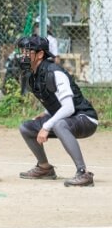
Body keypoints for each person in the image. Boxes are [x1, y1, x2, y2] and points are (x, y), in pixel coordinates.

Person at [17, 35, 98, 187]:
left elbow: (69, 107)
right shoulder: (32, 76)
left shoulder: (54, 72)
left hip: (85, 118)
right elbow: (51, 98)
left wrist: (47, 125)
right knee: (26, 127)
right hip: (66, 119)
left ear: (40, 54)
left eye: (27, 52)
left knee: (59, 124)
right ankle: (44, 168)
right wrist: (47, 114)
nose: (23, 56)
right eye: (22, 52)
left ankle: (83, 173)